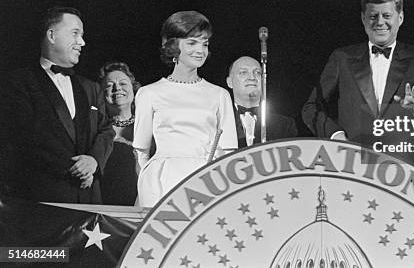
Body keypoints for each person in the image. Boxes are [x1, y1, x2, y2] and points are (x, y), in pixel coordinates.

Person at [301, 0, 414, 166]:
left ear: (400, 17)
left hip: (405, 169)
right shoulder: (342, 57)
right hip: (351, 167)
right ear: (363, 18)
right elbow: (310, 108)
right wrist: (335, 135)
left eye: (387, 16)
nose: (380, 22)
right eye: (373, 16)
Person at [0, 6, 114, 203]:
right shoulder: (17, 84)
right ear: (51, 35)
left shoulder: (92, 88)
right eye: (75, 33)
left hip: (89, 200)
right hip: (43, 201)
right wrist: (76, 169)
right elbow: (22, 138)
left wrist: (93, 161)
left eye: (82, 35)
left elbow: (106, 130)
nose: (82, 42)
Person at [133, 11, 238, 207]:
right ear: (173, 46)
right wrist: (146, 187)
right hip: (162, 181)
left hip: (208, 182)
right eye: (192, 43)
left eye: (204, 44)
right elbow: (141, 151)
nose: (200, 50)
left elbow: (228, 152)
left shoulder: (219, 95)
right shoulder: (149, 93)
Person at [226, 56, 298, 148]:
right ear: (229, 82)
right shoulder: (217, 123)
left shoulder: (285, 125)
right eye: (243, 72)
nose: (252, 77)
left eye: (257, 73)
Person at [98, 61, 140, 205]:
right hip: (104, 207)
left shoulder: (150, 126)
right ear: (102, 95)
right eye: (109, 86)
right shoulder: (95, 129)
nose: (117, 89)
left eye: (123, 84)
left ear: (133, 89)